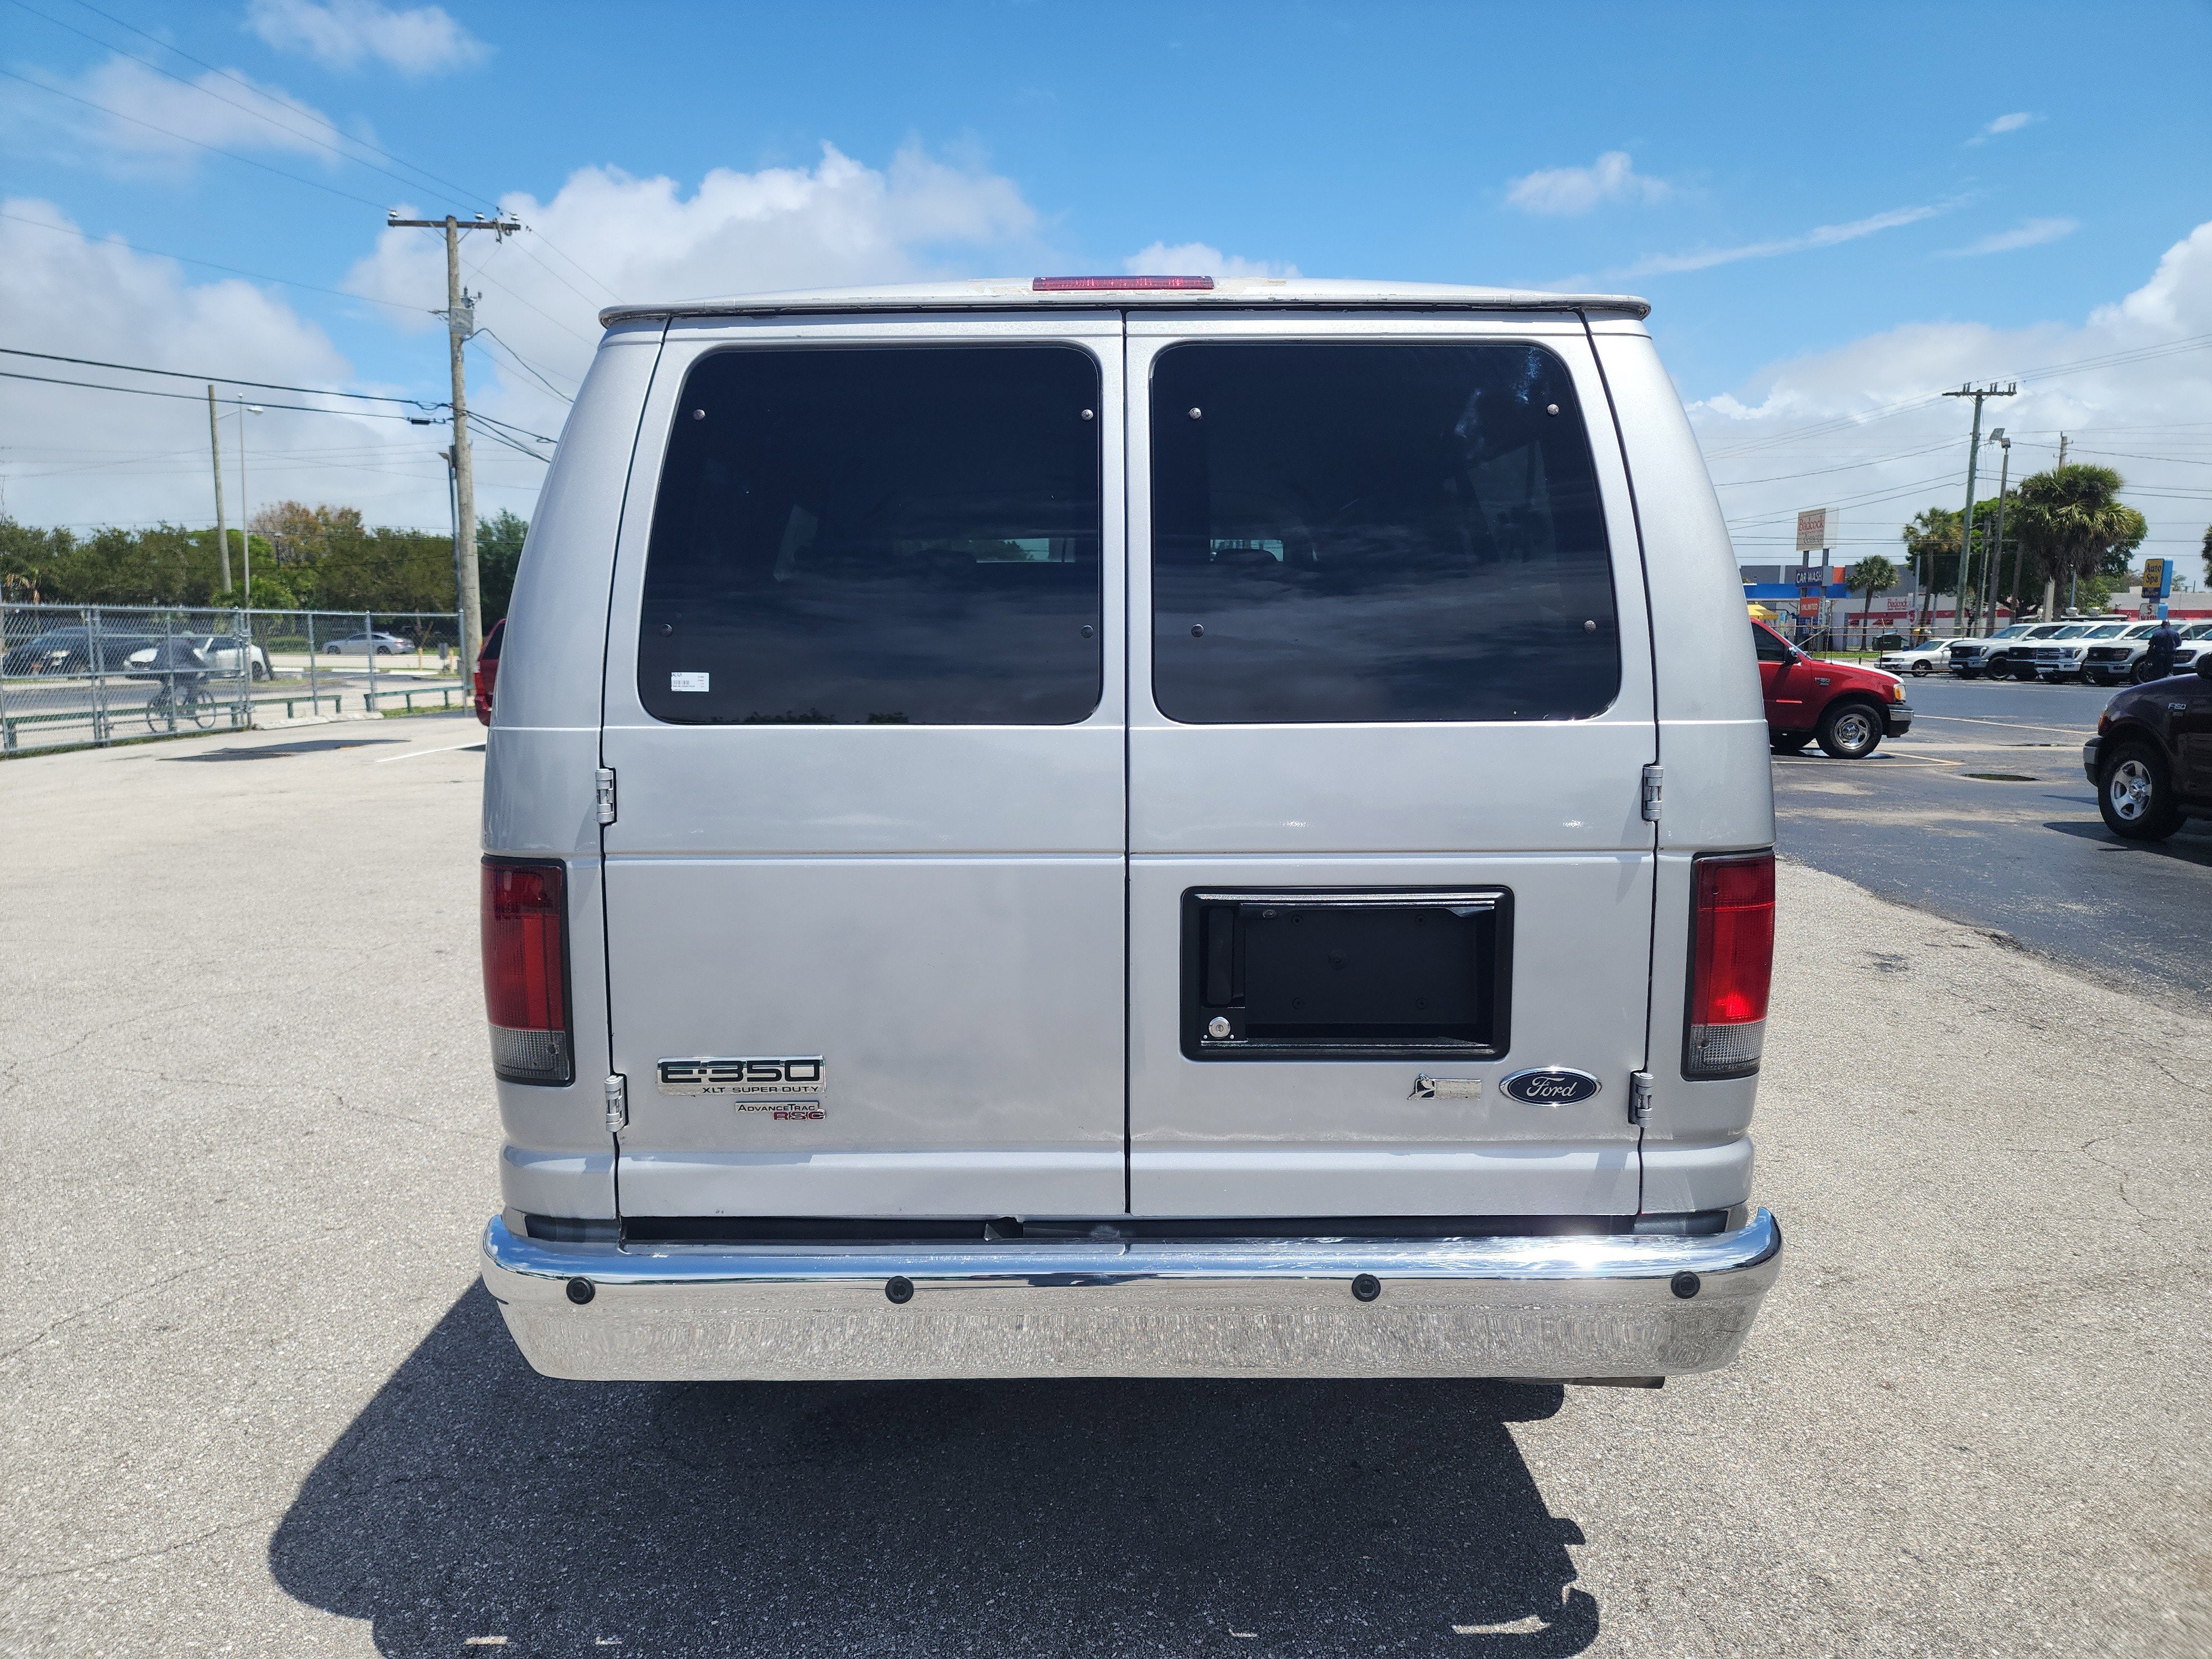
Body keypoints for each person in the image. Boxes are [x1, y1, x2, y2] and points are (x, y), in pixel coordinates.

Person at [2142, 616, 2182, 681]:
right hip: (2171, 655)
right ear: (2169, 624)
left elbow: (2151, 646)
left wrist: (2149, 657)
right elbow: (2179, 644)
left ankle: (2160, 683)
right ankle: (2169, 682)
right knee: (2169, 670)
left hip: (2159, 655)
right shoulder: (2175, 633)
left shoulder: (2157, 633)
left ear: (2162, 625)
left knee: (2159, 671)